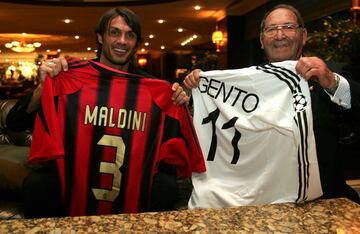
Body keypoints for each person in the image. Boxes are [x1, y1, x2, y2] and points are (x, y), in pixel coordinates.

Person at [6, 7, 194, 218]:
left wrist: (179, 102)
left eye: (130, 35)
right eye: (114, 32)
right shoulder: (71, 77)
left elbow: (172, 155)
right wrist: (44, 86)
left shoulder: (154, 91)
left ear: (136, 44)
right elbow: (15, 123)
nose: (122, 41)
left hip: (130, 180)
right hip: (74, 175)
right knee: (38, 184)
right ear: (100, 37)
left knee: (165, 186)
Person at [182, 4, 360, 205]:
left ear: (304, 35)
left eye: (288, 27)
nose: (280, 35)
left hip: (323, 202)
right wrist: (194, 92)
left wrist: (332, 83)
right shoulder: (242, 85)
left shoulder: (327, 74)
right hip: (262, 204)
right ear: (261, 40)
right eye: (271, 29)